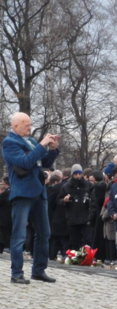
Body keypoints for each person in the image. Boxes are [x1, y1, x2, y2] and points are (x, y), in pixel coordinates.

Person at [2, 112, 60, 284]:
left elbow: (44, 163)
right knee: (19, 234)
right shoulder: (9, 143)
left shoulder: (32, 141)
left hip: (38, 191)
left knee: (44, 233)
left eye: (30, 123)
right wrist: (41, 145)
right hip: (22, 193)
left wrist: (52, 149)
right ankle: (17, 273)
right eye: (26, 124)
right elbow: (25, 163)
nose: (30, 127)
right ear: (15, 126)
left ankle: (39, 270)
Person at [59, 163, 92, 250]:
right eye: (75, 174)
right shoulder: (66, 186)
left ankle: (85, 256)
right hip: (72, 217)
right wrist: (64, 201)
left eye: (79, 174)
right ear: (72, 174)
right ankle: (74, 255)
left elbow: (93, 198)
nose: (78, 176)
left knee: (86, 240)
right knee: (74, 240)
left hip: (85, 216)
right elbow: (59, 200)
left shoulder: (88, 185)